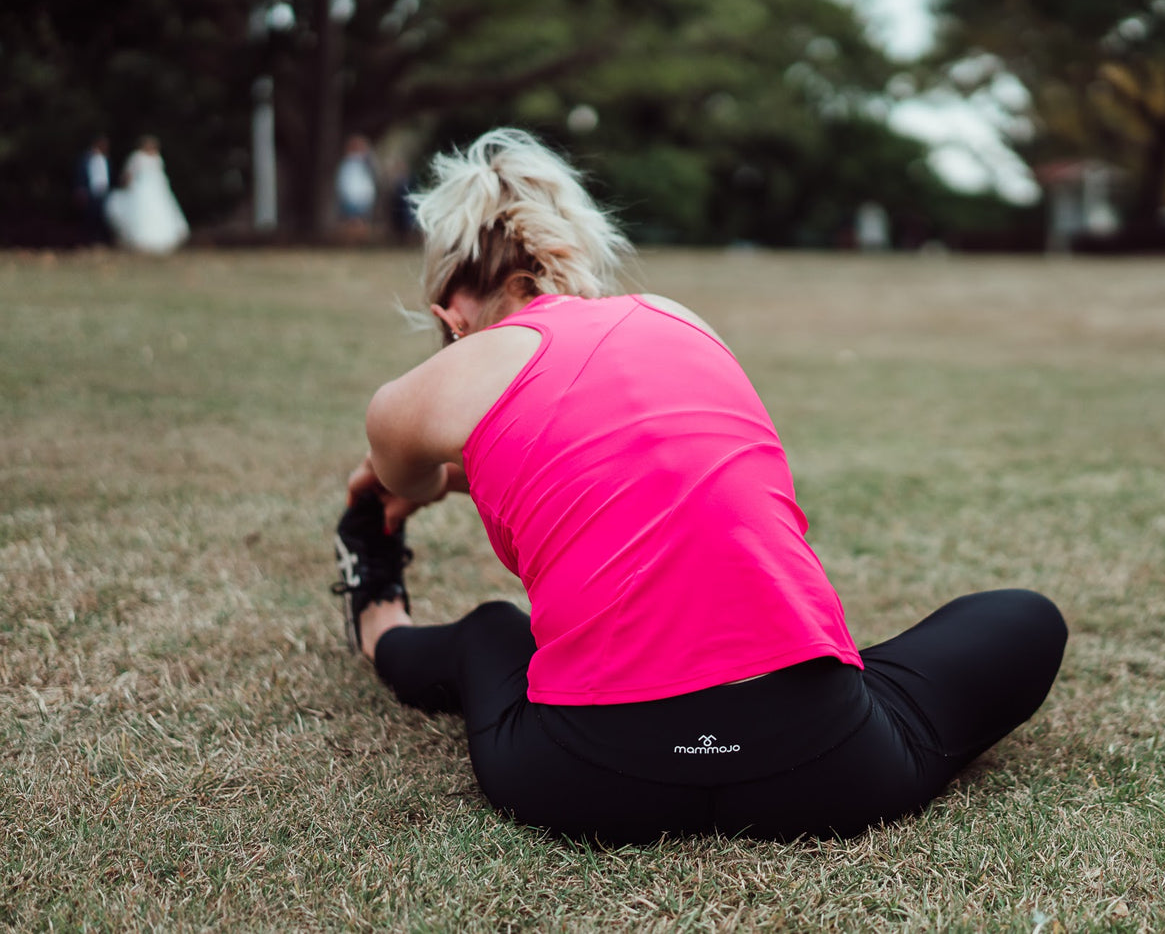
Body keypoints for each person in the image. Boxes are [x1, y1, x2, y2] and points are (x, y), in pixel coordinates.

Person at [331, 128, 1067, 844]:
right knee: (1023, 617)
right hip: (829, 766)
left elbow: (400, 485)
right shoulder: (678, 320)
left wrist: (408, 487)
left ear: (447, 317)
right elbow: (654, 464)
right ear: (576, 263)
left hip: (579, 780)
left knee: (492, 632)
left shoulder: (420, 393)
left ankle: (379, 618)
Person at [105, 136, 189, 255]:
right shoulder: (137, 157)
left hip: (157, 191)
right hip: (141, 190)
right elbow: (128, 176)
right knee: (143, 214)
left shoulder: (157, 158)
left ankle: (160, 242)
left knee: (158, 214)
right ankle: (142, 242)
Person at [336, 134, 378, 239]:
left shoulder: (365, 164)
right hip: (353, 197)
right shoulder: (349, 164)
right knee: (353, 221)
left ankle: (359, 239)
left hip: (362, 197)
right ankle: (352, 239)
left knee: (360, 221)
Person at [74, 136, 112, 246]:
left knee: (103, 218)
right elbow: (80, 175)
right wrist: (80, 189)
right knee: (89, 219)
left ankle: (100, 242)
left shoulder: (106, 159)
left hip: (103, 193)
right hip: (90, 193)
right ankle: (88, 242)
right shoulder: (86, 158)